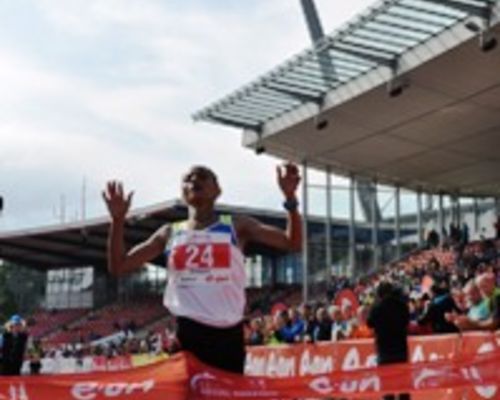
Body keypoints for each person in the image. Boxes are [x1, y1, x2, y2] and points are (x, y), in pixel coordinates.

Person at [103, 164, 302, 373]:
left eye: (202, 176)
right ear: (182, 192)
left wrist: (290, 199)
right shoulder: (169, 233)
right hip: (187, 333)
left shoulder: (236, 226)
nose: (194, 179)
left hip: (228, 335)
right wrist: (117, 221)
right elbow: (119, 266)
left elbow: (292, 243)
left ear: (217, 190)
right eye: (187, 178)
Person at [367, 282, 410, 400]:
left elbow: (369, 323)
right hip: (401, 349)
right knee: (403, 384)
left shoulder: (377, 307)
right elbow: (407, 321)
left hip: (384, 351)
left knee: (387, 385)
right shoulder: (402, 305)